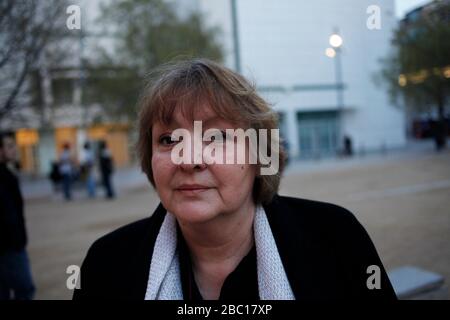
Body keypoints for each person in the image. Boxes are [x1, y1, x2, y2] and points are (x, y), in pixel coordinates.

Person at [73, 59, 397, 300]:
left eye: (215, 137)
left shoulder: (336, 239)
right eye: (169, 139)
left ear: (260, 155)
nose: (188, 159)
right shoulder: (106, 265)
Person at [0, 131, 35, 300]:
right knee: (25, 289)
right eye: (9, 146)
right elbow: (9, 215)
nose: (14, 150)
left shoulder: (7, 175)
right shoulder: (5, 178)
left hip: (8, 245)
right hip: (9, 247)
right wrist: (17, 242)